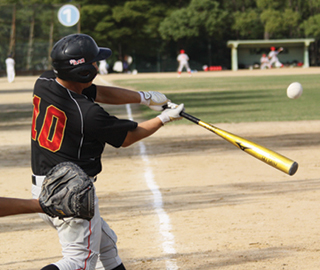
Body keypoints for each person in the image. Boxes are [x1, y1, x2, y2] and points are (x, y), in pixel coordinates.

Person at [31, 33, 184, 270]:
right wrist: (164, 118)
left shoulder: (45, 82)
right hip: (70, 192)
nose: (97, 65)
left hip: (42, 186)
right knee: (79, 261)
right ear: (84, 72)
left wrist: (144, 98)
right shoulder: (89, 114)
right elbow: (128, 137)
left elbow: (99, 92)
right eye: (93, 63)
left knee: (106, 246)